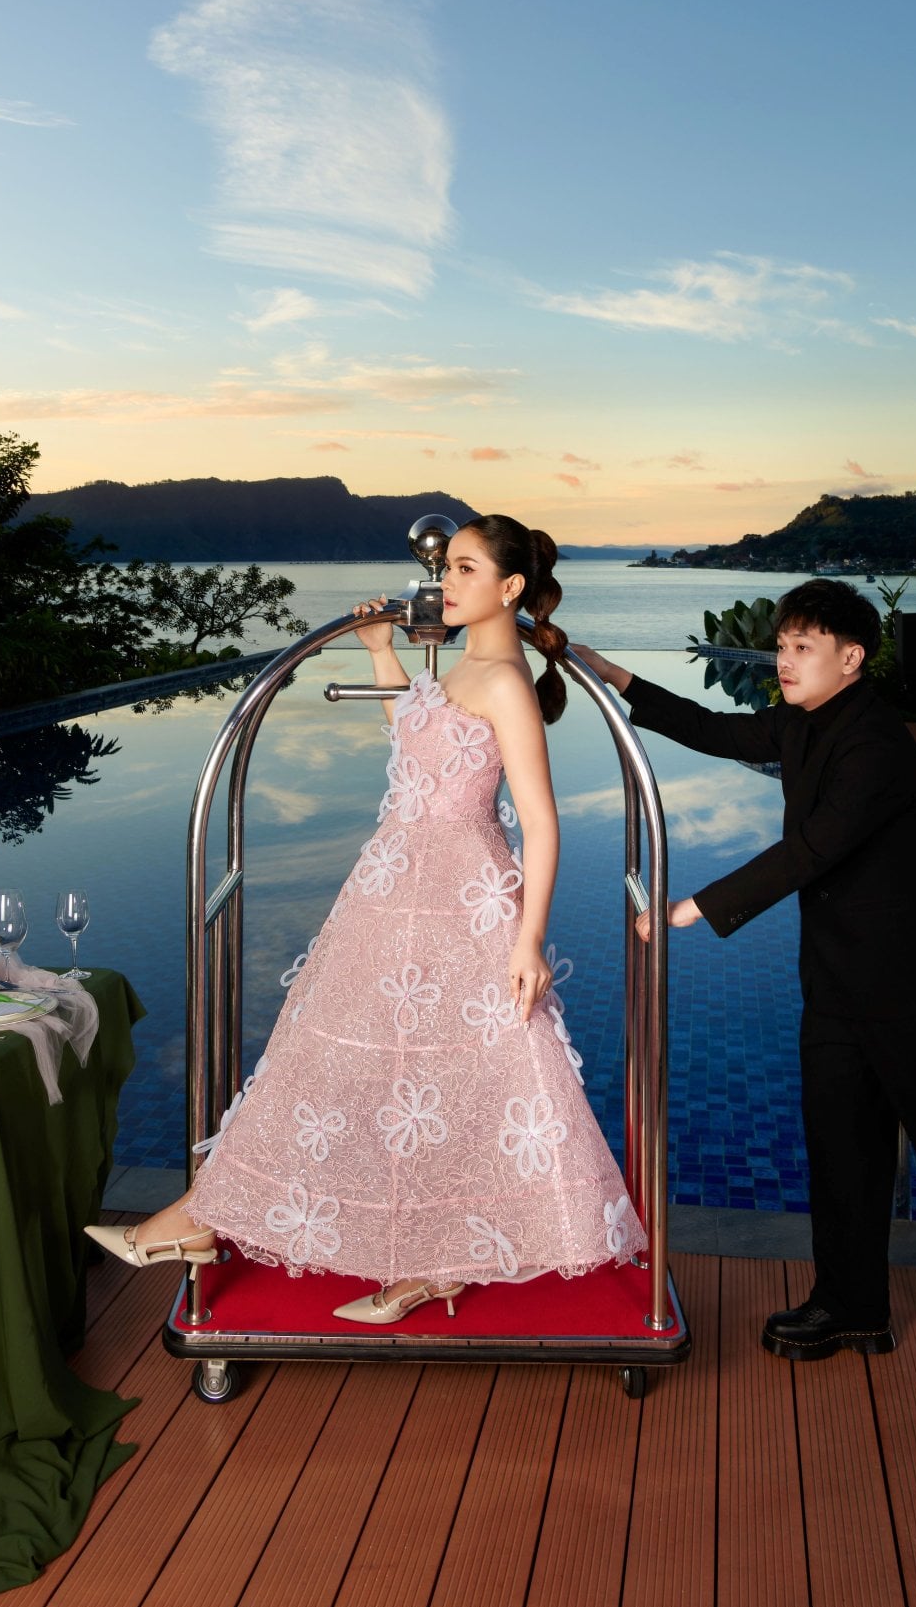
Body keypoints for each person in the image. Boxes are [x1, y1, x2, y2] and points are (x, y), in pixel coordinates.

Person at [88, 514, 645, 1321]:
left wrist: (528, 941)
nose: (445, 583)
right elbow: (423, 748)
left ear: (511, 587)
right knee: (351, 1067)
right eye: (448, 568)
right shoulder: (468, 665)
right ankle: (218, 1219)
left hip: (459, 897)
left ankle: (367, 1252)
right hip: (392, 889)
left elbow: (541, 820)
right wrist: (382, 653)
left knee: (450, 1078)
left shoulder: (505, 680)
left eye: (465, 569)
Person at [573, 578, 916, 1426]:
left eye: (803, 648)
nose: (783, 661)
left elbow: (813, 849)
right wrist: (616, 677)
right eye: (781, 646)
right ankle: (852, 1304)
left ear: (850, 658)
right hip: (839, 982)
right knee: (842, 1147)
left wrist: (693, 907)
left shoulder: (876, 743)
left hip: (915, 992)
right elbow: (713, 729)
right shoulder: (801, 721)